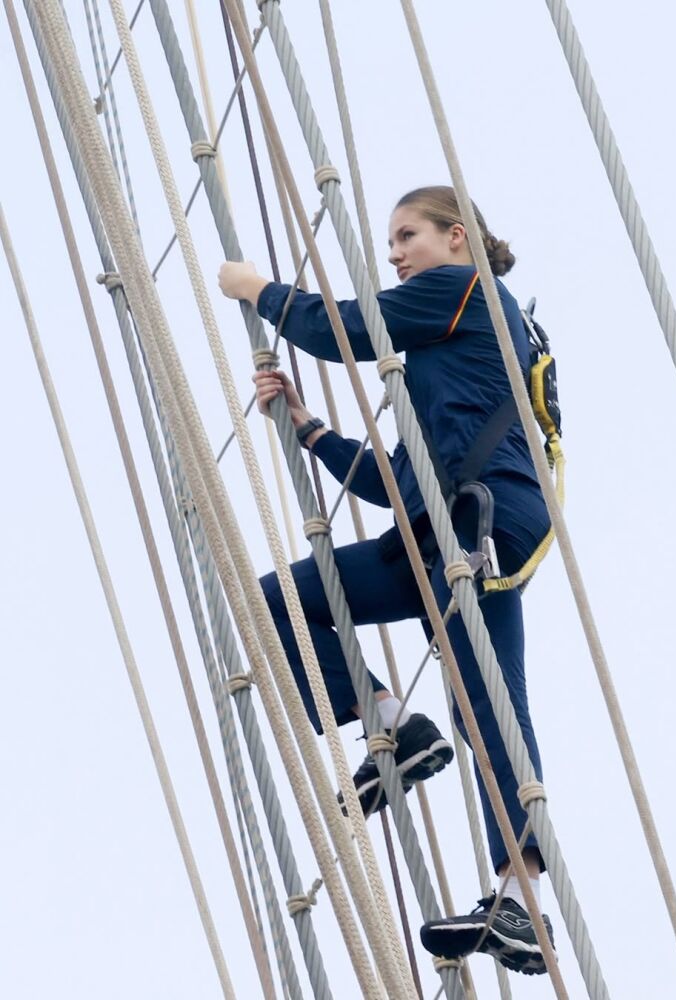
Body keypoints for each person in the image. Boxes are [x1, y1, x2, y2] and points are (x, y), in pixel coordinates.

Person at [218, 186, 554, 975]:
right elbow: (397, 486)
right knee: (279, 603)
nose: (395, 253)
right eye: (392, 241)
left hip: (486, 524)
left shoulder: (467, 291)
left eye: (408, 236)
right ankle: (393, 725)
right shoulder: (443, 365)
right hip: (436, 527)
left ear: (457, 238)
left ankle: (524, 897)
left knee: (488, 700)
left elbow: (340, 328)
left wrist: (254, 289)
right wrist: (309, 429)